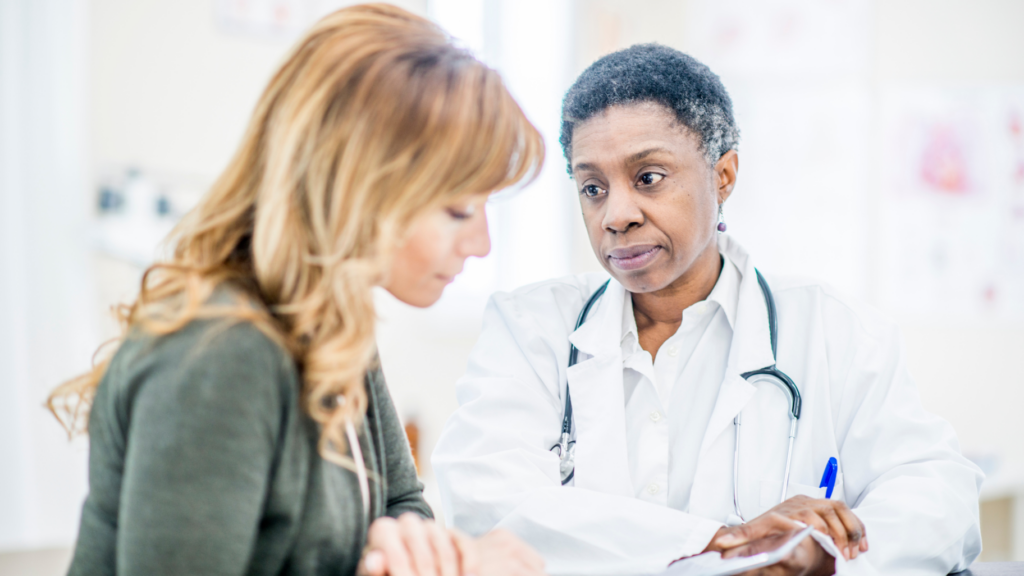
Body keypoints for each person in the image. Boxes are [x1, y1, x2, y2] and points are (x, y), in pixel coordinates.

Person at [432, 44, 983, 576]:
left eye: (648, 177)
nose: (616, 215)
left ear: (723, 176)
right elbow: (487, 506)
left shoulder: (833, 330)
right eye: (592, 187)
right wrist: (726, 546)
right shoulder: (530, 328)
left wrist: (823, 554)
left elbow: (940, 497)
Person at [47, 5, 547, 576]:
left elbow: (402, 508)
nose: (481, 244)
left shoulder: (333, 328)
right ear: (357, 188)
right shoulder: (220, 353)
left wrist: (422, 554)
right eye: (459, 208)